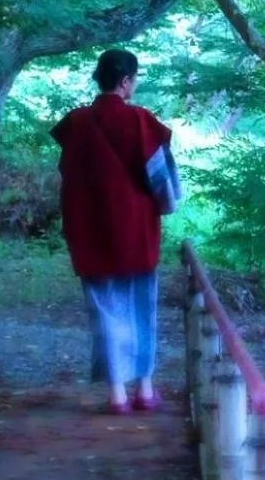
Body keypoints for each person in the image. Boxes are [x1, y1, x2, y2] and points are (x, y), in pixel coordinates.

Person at [51, 49, 181, 415]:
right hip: (135, 231)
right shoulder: (140, 122)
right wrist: (166, 204)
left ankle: (117, 395)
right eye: (134, 79)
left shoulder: (76, 124)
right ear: (125, 81)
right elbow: (160, 178)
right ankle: (145, 389)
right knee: (141, 309)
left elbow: (68, 173)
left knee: (105, 311)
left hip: (89, 231)